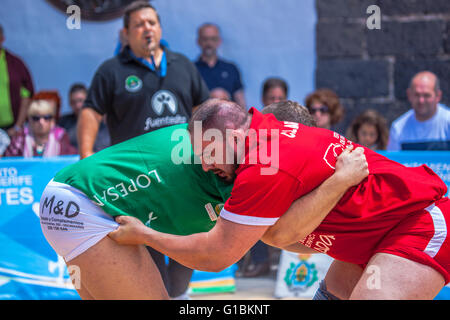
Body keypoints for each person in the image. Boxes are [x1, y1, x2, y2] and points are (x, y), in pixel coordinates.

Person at [111, 99, 450, 300]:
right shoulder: (267, 140)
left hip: (419, 221)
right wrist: (337, 183)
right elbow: (291, 238)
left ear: (234, 135)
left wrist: (145, 236)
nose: (205, 164)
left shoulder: (263, 163)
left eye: (208, 151)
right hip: (373, 237)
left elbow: (222, 253)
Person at [39, 109, 367, 299]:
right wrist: (338, 185)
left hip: (76, 199)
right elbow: (271, 236)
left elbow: (279, 232)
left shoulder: (231, 142)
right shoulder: (248, 164)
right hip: (82, 203)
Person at [77, 1, 210, 299]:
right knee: (152, 273)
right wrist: (86, 155)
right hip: (138, 185)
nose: (147, 29)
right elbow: (91, 112)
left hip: (184, 182)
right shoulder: (111, 71)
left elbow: (203, 109)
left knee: (181, 276)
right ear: (126, 33)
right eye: (139, 24)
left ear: (160, 28)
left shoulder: (183, 65)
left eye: (151, 23)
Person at [241, 77, 290, 278]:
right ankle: (260, 261)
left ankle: (287, 266)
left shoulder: (293, 123)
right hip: (262, 180)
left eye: (280, 97)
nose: (276, 102)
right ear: (262, 99)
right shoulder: (252, 124)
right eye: (272, 97)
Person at [387, 71, 450, 151]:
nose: (421, 101)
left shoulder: (448, 122)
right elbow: (393, 161)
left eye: (426, 95)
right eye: (417, 95)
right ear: (409, 95)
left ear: (438, 96)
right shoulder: (398, 128)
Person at [195, 23, 246, 108]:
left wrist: (245, 120)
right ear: (198, 41)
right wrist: (210, 98)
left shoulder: (231, 69)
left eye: (213, 39)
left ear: (219, 41)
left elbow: (241, 103)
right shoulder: (191, 69)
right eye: (205, 39)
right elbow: (189, 103)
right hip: (201, 120)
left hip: (229, 119)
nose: (209, 43)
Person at [3, 99, 76, 157]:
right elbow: (10, 163)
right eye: (36, 118)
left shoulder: (61, 137)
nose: (41, 122)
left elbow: (70, 161)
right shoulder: (20, 138)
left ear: (52, 120)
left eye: (46, 117)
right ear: (29, 120)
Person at [0, 23, 34, 137]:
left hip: (12, 130)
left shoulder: (15, 64)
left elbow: (26, 95)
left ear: (2, 38)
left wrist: (17, 127)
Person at [58, 83, 110, 153]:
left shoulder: (100, 122)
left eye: (80, 100)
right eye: (73, 102)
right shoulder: (63, 123)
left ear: (88, 99)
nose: (77, 106)